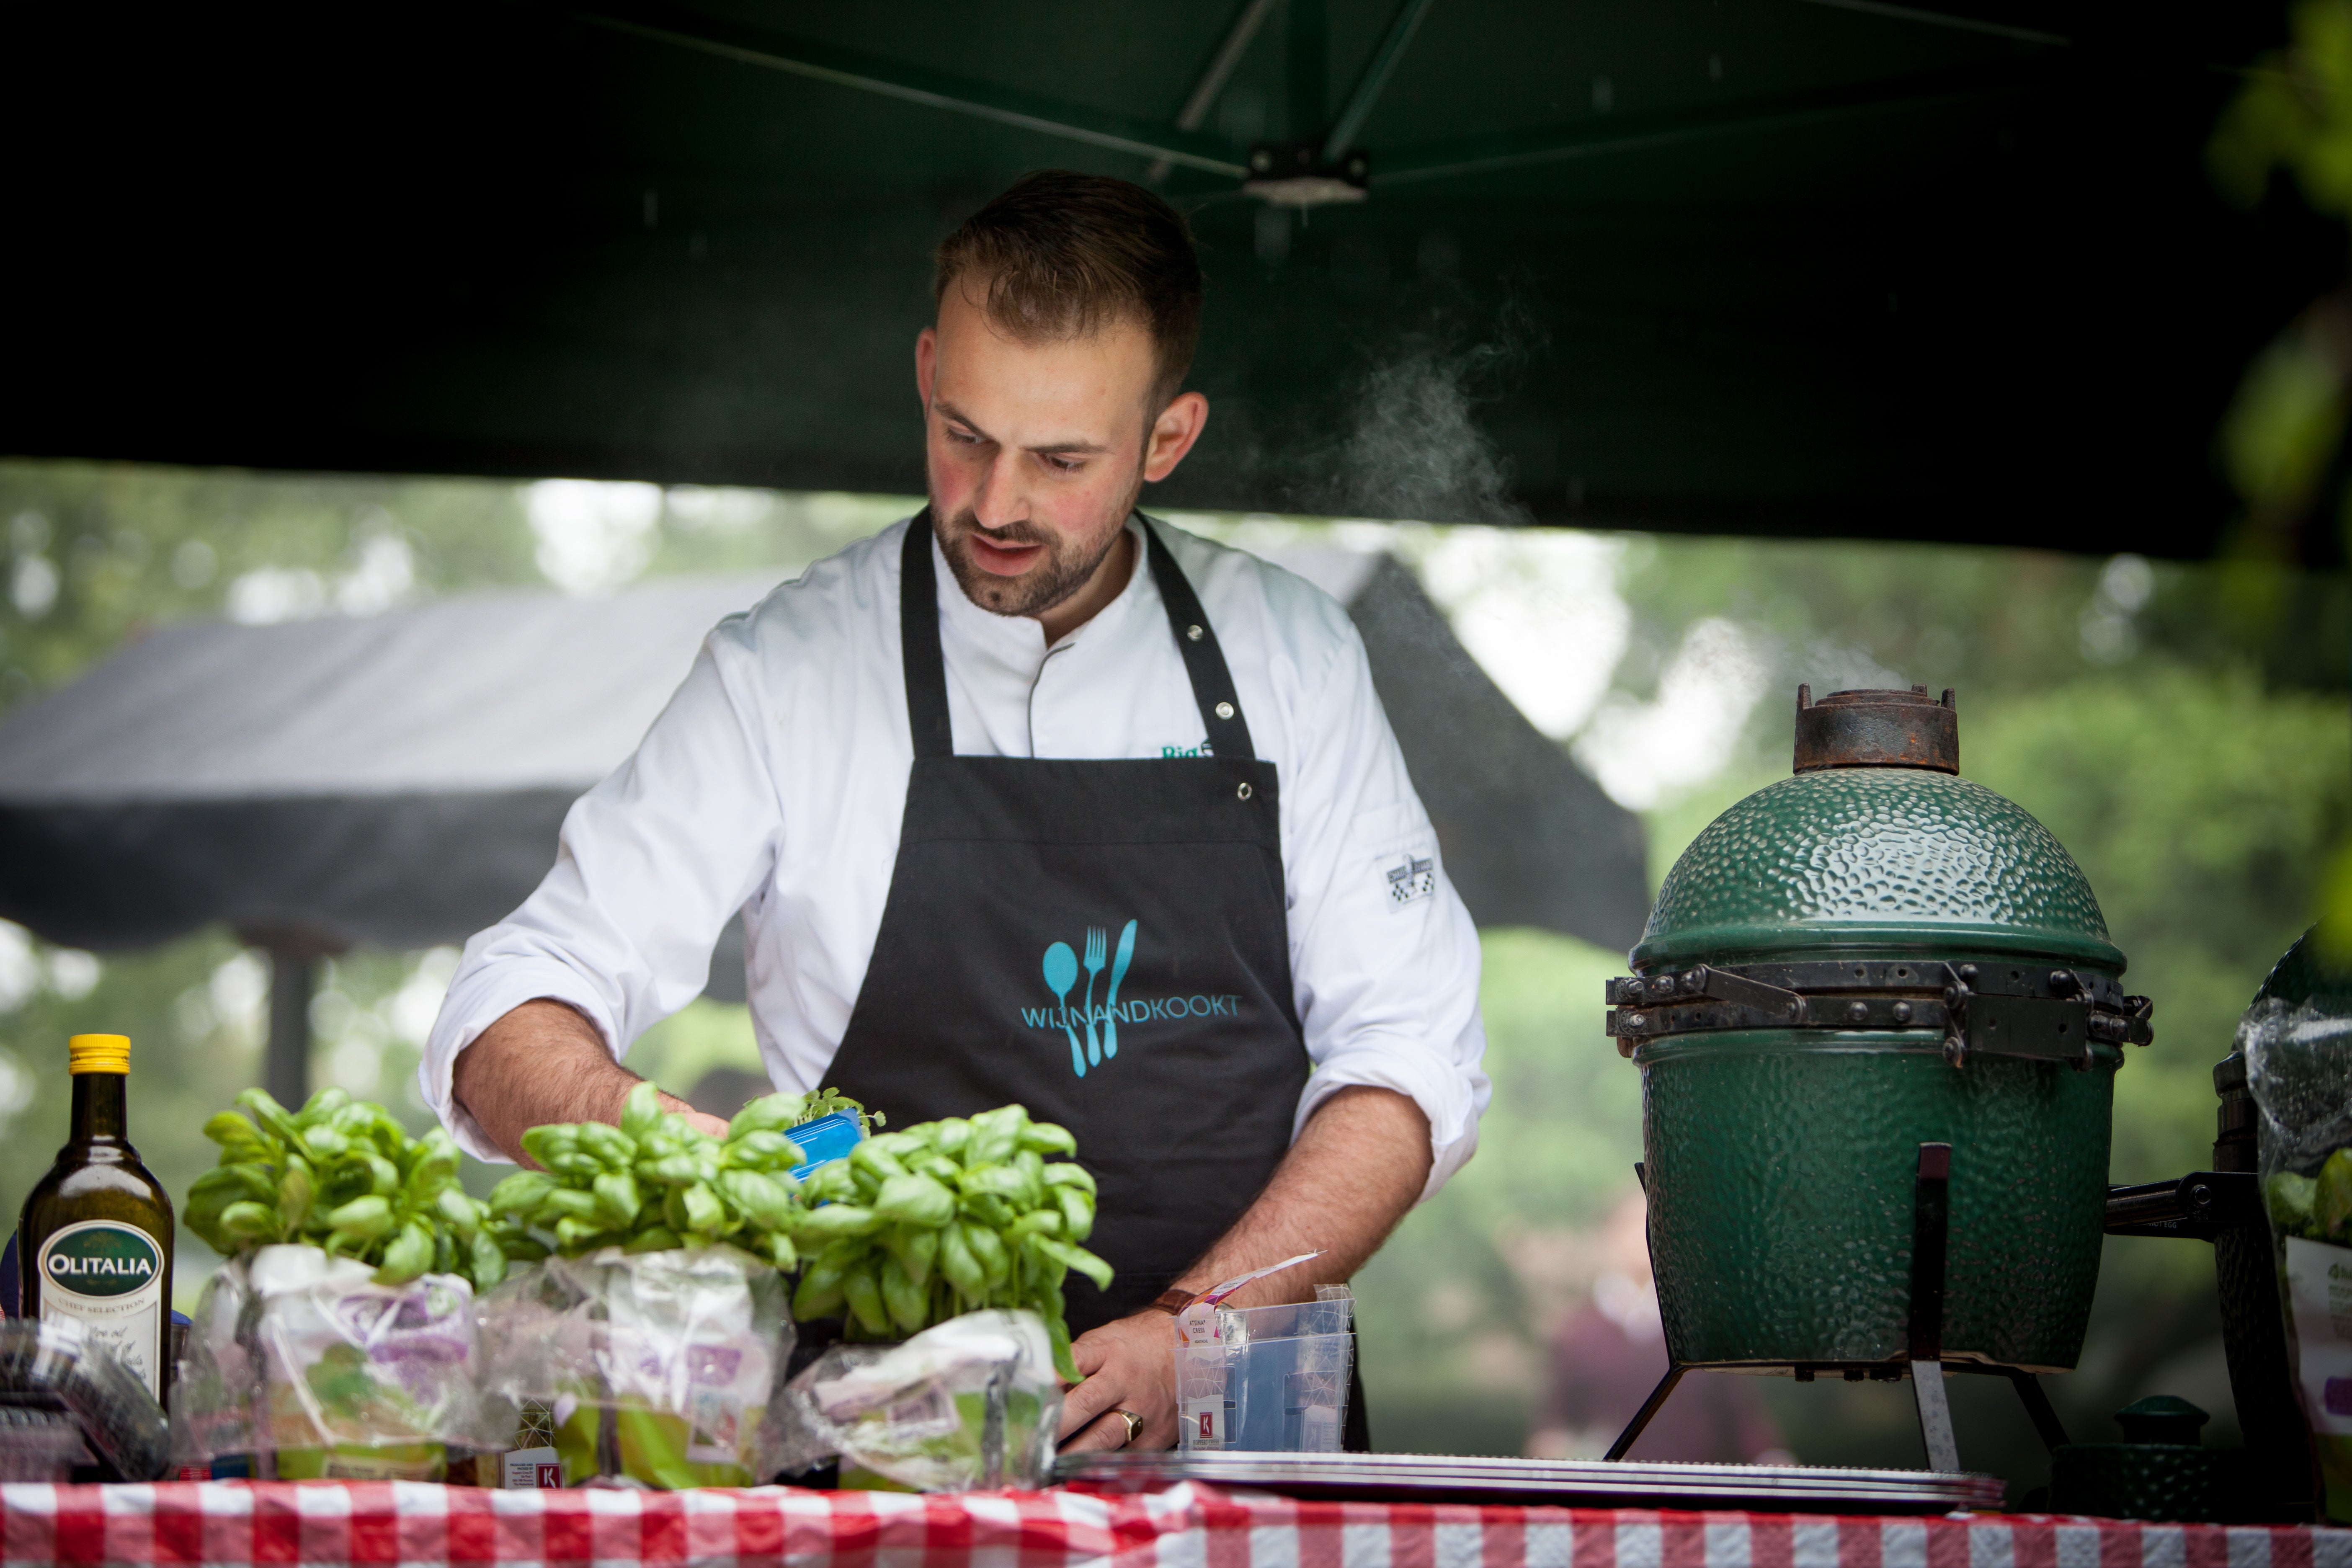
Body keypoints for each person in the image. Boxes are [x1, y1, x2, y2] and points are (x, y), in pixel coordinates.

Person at [423, 170, 1489, 1453]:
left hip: (1237, 1436)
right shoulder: (788, 672)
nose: (994, 504)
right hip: (876, 1444)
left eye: (1062, 461)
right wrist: (670, 1145)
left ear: (1167, 439)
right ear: (929, 372)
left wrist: (1198, 1327)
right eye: (965, 435)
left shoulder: (1293, 660)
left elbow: (1409, 1061)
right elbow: (510, 1003)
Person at [1526, 1193, 1788, 1465]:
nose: (1639, 1238)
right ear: (1608, 1238)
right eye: (1628, 1227)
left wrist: (1775, 1463)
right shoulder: (1580, 1333)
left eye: (1652, 1226)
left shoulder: (1704, 1328)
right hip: (1611, 1486)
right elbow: (1555, 1424)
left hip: (1693, 1483)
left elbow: (1743, 1422)